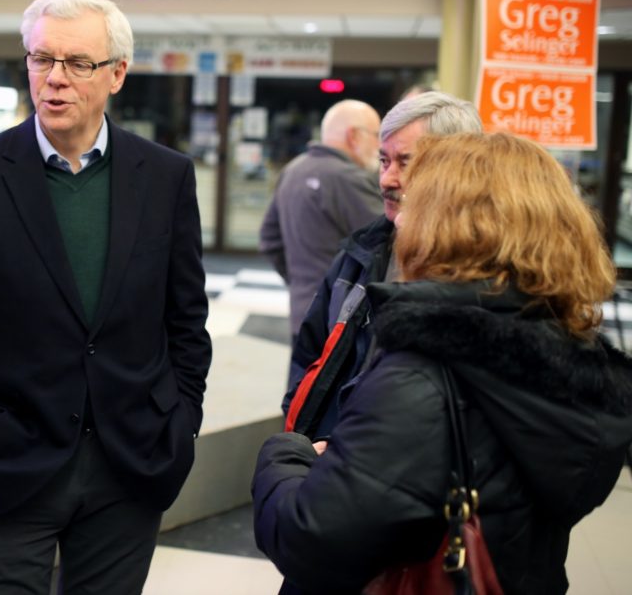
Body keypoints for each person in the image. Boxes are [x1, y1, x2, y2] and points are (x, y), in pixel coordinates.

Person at [0, 0, 212, 595]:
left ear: (117, 74)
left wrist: (181, 422)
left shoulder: (165, 176)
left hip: (131, 460)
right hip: (10, 459)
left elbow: (186, 318)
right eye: (41, 58)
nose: (55, 79)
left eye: (78, 63)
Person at [253, 131, 632, 594]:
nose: (400, 218)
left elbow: (312, 539)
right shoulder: (574, 357)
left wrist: (284, 455)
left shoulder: (421, 372)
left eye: (417, 202)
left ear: (446, 226)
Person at [285, 91, 483, 439]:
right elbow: (309, 359)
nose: (387, 179)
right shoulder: (359, 256)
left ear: (456, 169)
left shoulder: (484, 274)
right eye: (383, 161)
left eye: (405, 162)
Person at [259, 99, 383, 356]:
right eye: (376, 135)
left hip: (302, 311)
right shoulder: (350, 179)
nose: (380, 145)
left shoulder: (293, 170)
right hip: (341, 320)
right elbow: (387, 245)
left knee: (301, 392)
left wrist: (300, 281)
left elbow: (269, 238)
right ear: (354, 136)